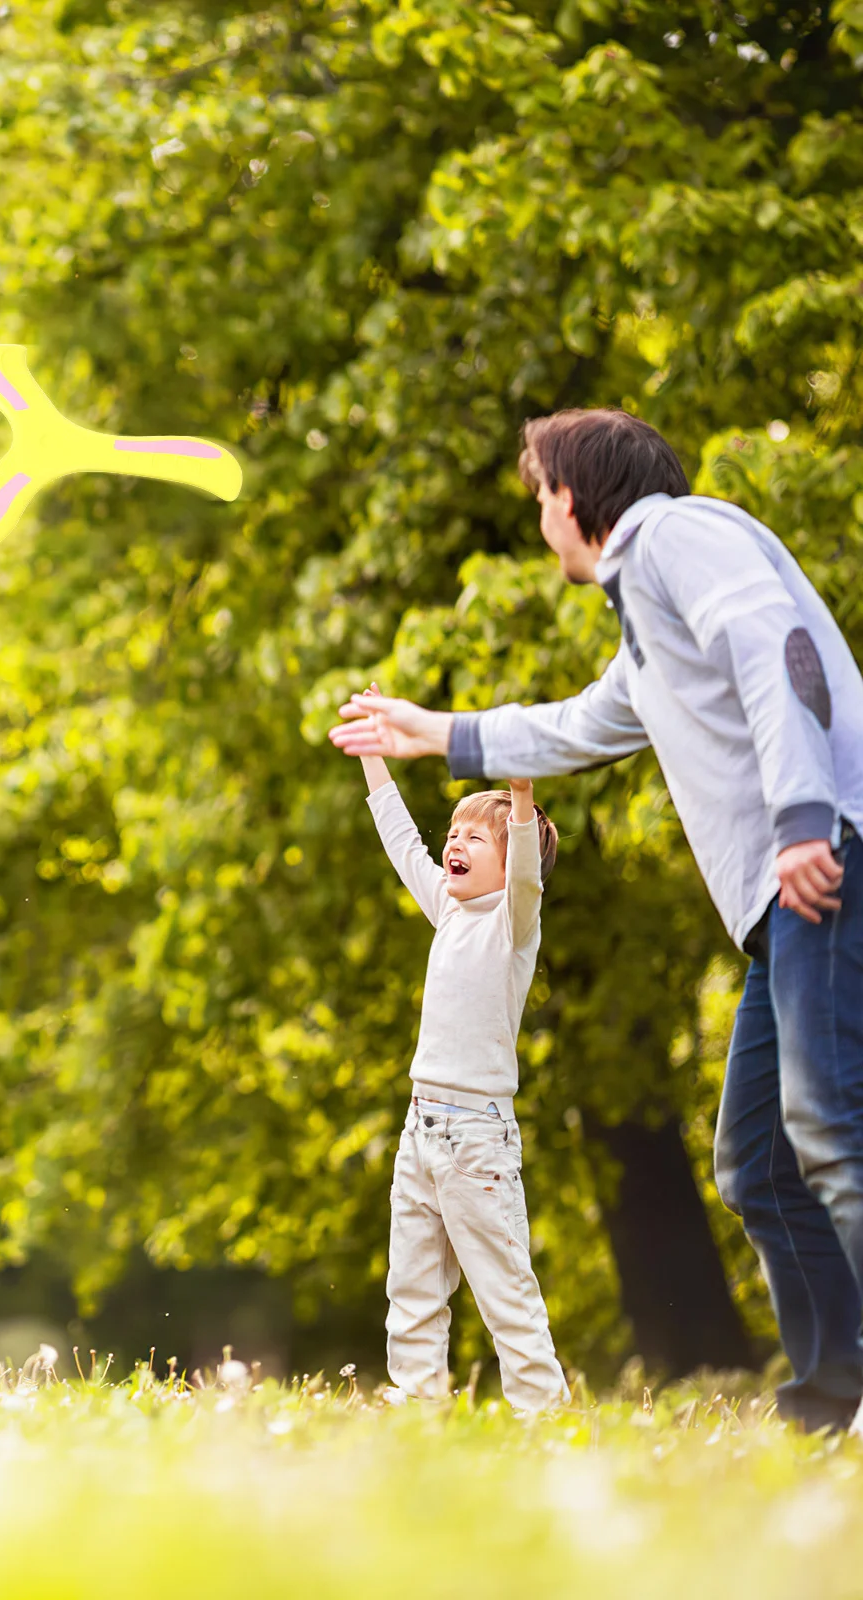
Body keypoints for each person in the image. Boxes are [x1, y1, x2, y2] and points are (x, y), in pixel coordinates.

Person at [331, 408, 863, 1433]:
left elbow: (779, 646)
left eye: (539, 497)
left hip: (825, 855)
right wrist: (434, 733)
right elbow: (578, 725)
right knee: (758, 1161)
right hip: (776, 906)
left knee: (833, 1132)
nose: (539, 518)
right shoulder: (649, 623)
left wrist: (803, 815)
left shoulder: (676, 535)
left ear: (570, 498)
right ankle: (833, 1406)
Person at [344, 705, 566, 1411]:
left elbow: (525, 876)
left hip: (476, 1139)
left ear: (507, 861)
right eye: (454, 833)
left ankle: (544, 1417)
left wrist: (522, 797)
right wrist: (374, 757)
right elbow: (401, 840)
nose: (455, 843)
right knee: (410, 1283)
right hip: (421, 1130)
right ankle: (419, 1405)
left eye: (475, 836)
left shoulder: (512, 925)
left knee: (505, 1289)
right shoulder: (447, 907)